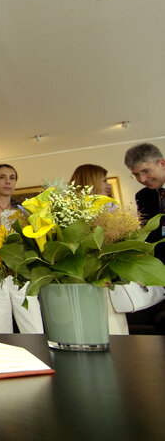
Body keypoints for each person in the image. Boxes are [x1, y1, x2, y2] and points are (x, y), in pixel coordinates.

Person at [0, 164, 44, 333]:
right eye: (2, 177)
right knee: (0, 331)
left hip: (20, 275)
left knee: (34, 328)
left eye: (12, 177)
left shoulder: (24, 212)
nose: (8, 181)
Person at [68, 163, 128, 334]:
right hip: (90, 280)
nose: (107, 185)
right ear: (92, 181)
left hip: (107, 277)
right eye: (104, 180)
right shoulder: (73, 210)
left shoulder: (110, 207)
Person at [123, 143, 165, 333]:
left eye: (146, 171)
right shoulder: (143, 196)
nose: (142, 179)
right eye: (136, 174)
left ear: (162, 163)